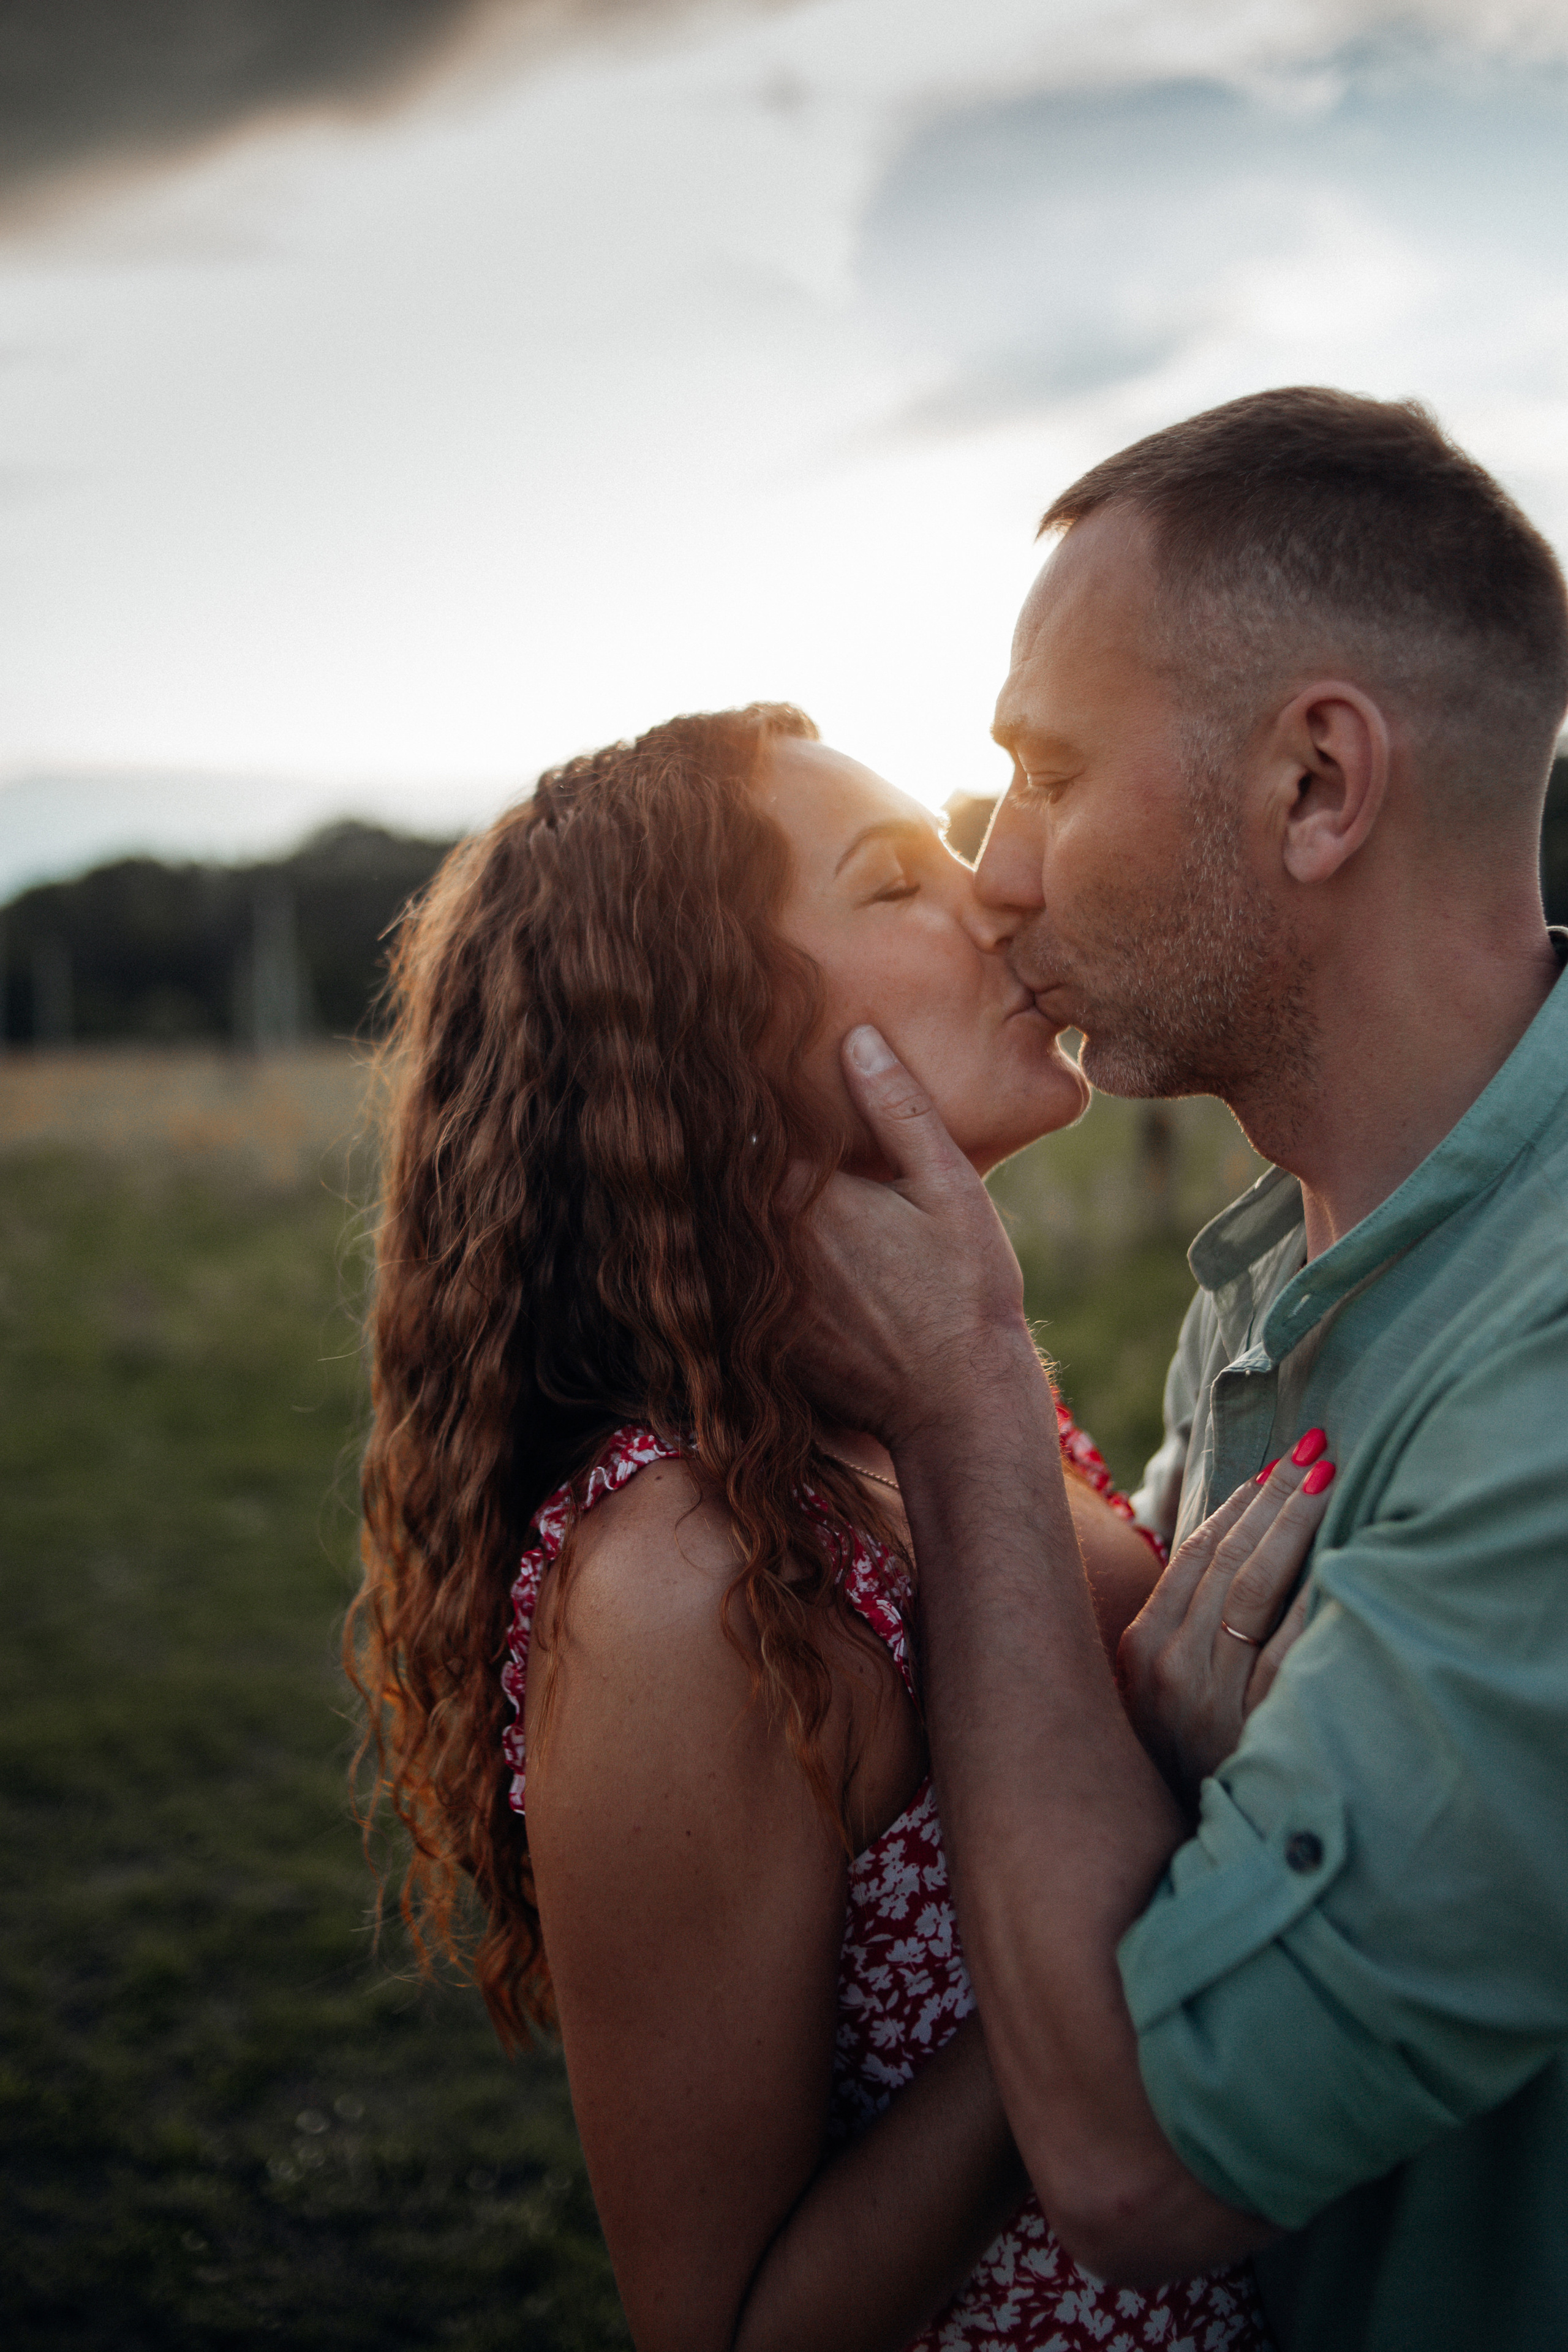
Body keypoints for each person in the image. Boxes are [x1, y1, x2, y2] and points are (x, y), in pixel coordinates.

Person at [349, 702, 1303, 2350]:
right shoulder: (680, 1588)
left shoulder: (937, 1405)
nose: (999, 897)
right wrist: (1151, 1845)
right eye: (892, 884)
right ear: (702, 1037)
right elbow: (722, 2329)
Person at [798, 388, 1568, 2350]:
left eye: (1048, 774)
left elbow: (1142, 2160)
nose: (994, 872)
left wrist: (968, 1396)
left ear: (1317, 785)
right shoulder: (1296, 1263)